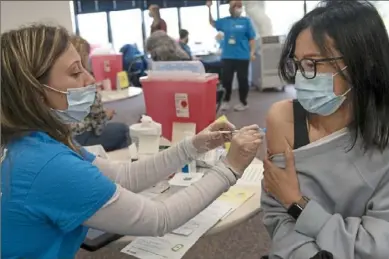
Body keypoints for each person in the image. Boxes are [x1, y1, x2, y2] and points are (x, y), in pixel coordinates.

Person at [1, 24, 264, 259]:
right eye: (75, 72)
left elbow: (123, 175)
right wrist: (230, 167)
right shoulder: (49, 165)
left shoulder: (29, 144)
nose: (90, 79)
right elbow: (159, 219)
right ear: (34, 93)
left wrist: (193, 146)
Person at [260, 1, 389, 259]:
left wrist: (298, 205)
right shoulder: (285, 120)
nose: (302, 78)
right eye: (299, 64)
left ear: (364, 62)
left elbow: (381, 247)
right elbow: (277, 214)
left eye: (313, 64)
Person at [69, 35, 131, 152]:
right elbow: (98, 126)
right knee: (123, 130)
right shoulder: (87, 82)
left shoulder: (57, 82)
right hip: (80, 138)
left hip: (62, 138)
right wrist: (106, 115)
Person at [207, 0, 256, 112]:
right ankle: (226, 101)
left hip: (242, 56)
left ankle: (243, 102)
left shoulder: (246, 21)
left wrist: (252, 52)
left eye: (240, 6)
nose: (238, 8)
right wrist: (209, 9)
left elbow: (252, 39)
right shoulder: (225, 21)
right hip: (227, 56)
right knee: (226, 80)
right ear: (231, 8)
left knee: (242, 80)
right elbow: (212, 22)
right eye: (236, 6)